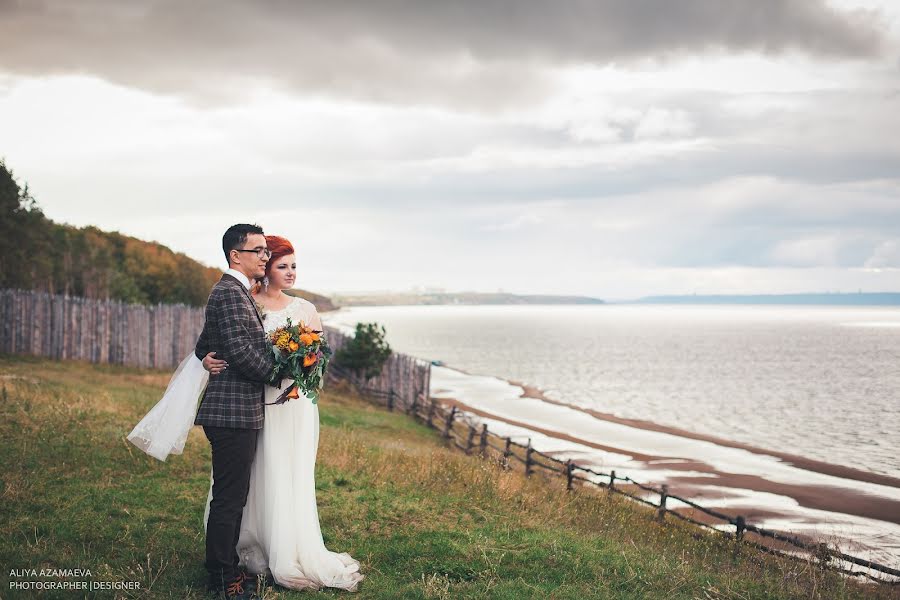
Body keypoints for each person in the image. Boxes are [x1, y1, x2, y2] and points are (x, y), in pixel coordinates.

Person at [201, 234, 363, 593]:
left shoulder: (304, 308)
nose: (290, 272)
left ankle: (289, 546)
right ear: (266, 267)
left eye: (294, 266)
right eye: (281, 265)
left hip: (294, 405)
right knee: (256, 475)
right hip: (257, 401)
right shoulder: (246, 300)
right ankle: (250, 546)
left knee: (290, 473)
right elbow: (223, 341)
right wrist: (206, 356)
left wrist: (301, 371)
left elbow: (316, 360)